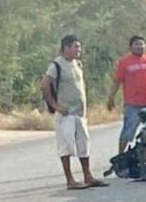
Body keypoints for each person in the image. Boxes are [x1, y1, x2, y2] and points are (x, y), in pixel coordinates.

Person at [41, 35, 108, 190]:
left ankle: (88, 176)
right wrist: (55, 105)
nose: (79, 50)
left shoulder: (77, 64)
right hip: (66, 114)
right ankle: (70, 179)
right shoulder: (56, 65)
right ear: (66, 48)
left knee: (84, 145)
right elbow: (45, 84)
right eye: (76, 47)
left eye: (79, 47)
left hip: (79, 113)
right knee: (66, 147)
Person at [107, 35, 146, 154]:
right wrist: (111, 98)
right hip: (133, 104)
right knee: (129, 130)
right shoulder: (125, 63)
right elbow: (117, 81)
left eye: (142, 44)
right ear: (131, 47)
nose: (140, 46)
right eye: (136, 44)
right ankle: (120, 155)